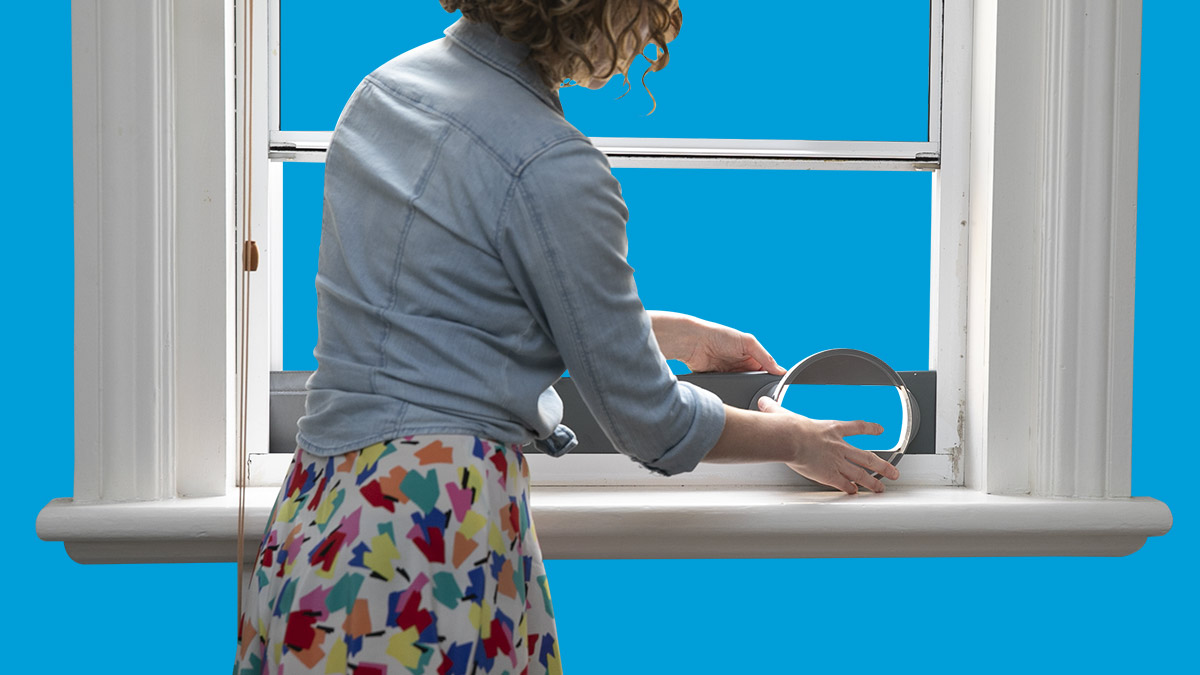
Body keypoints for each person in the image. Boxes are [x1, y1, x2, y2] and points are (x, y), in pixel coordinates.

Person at [234, 1, 901, 673]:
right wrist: (796, 439)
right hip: (424, 535)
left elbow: (449, 322)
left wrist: (675, 334)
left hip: (315, 515)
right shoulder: (550, 163)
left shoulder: (382, 93)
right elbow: (654, 423)